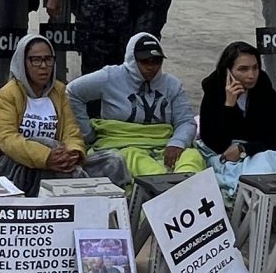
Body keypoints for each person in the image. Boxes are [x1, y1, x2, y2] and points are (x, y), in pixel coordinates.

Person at [0, 35, 109, 193]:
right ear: (23, 63)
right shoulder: (8, 93)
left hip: (58, 163)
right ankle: (82, 196)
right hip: (13, 165)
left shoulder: (59, 90)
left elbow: (71, 131)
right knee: (46, 142)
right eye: (36, 60)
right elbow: (7, 139)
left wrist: (73, 153)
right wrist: (46, 156)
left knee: (113, 160)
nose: (43, 66)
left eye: (48, 59)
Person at [66, 30, 199, 176]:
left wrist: (177, 143)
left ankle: (184, 185)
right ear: (132, 60)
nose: (151, 67)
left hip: (162, 143)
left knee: (192, 157)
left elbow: (186, 121)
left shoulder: (172, 84)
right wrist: (87, 134)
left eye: (156, 61)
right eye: (145, 61)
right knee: (133, 157)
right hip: (122, 143)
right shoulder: (110, 77)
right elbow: (72, 93)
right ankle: (167, 185)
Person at [198, 40, 276, 165]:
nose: (251, 75)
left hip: (257, 153)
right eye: (243, 69)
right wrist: (229, 106)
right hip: (224, 156)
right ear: (228, 71)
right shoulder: (214, 91)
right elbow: (215, 143)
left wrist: (245, 149)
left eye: (255, 68)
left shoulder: (264, 90)